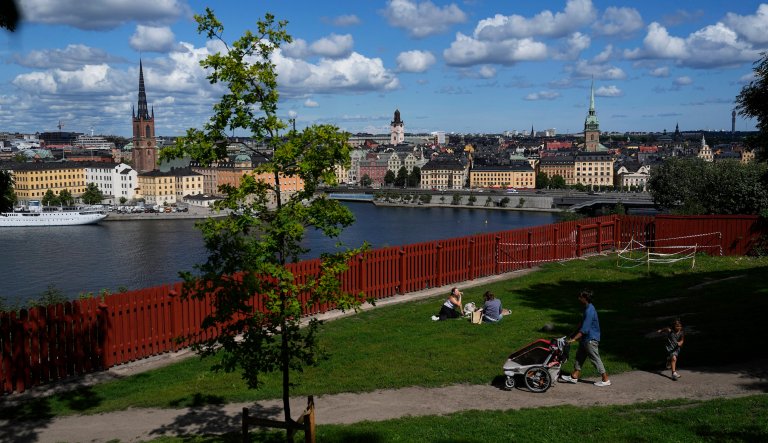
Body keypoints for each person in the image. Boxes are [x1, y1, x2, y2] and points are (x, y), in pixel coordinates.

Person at [560, 289, 611, 387]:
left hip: (590, 339)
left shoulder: (590, 310)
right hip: (585, 339)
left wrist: (574, 339)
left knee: (595, 359)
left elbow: (585, 329)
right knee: (579, 357)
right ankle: (574, 376)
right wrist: (573, 333)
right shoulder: (587, 308)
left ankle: (605, 379)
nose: (579, 299)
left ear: (585, 298)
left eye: (580, 297)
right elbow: (582, 324)